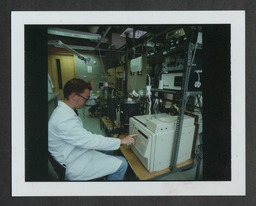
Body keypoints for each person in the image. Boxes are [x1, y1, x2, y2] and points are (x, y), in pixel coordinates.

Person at [48, 78, 136, 181]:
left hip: (73, 150)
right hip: (72, 162)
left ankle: (106, 170)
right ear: (73, 96)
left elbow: (84, 137)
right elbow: (89, 140)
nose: (87, 101)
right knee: (122, 164)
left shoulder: (66, 111)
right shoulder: (63, 119)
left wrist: (114, 142)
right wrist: (121, 140)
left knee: (109, 148)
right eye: (86, 98)